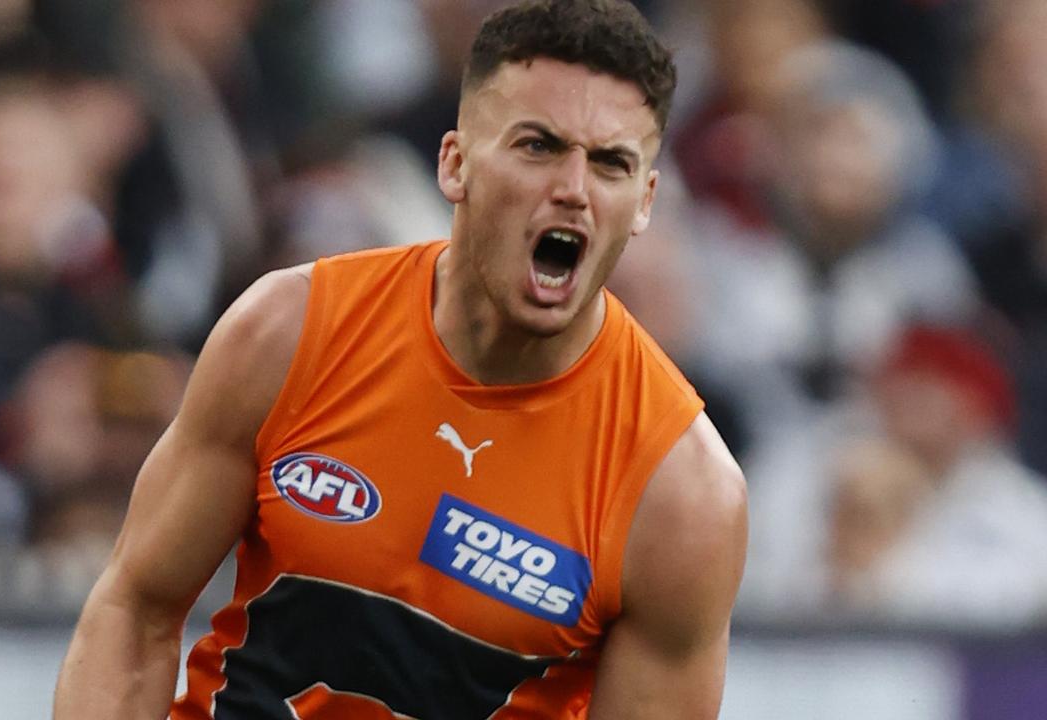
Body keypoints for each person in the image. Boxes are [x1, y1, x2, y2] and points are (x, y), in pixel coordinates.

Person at [53, 1, 747, 717]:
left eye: (610, 163)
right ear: (454, 164)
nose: (572, 189)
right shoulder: (292, 332)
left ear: (644, 202)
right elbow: (136, 612)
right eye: (538, 146)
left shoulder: (680, 492)